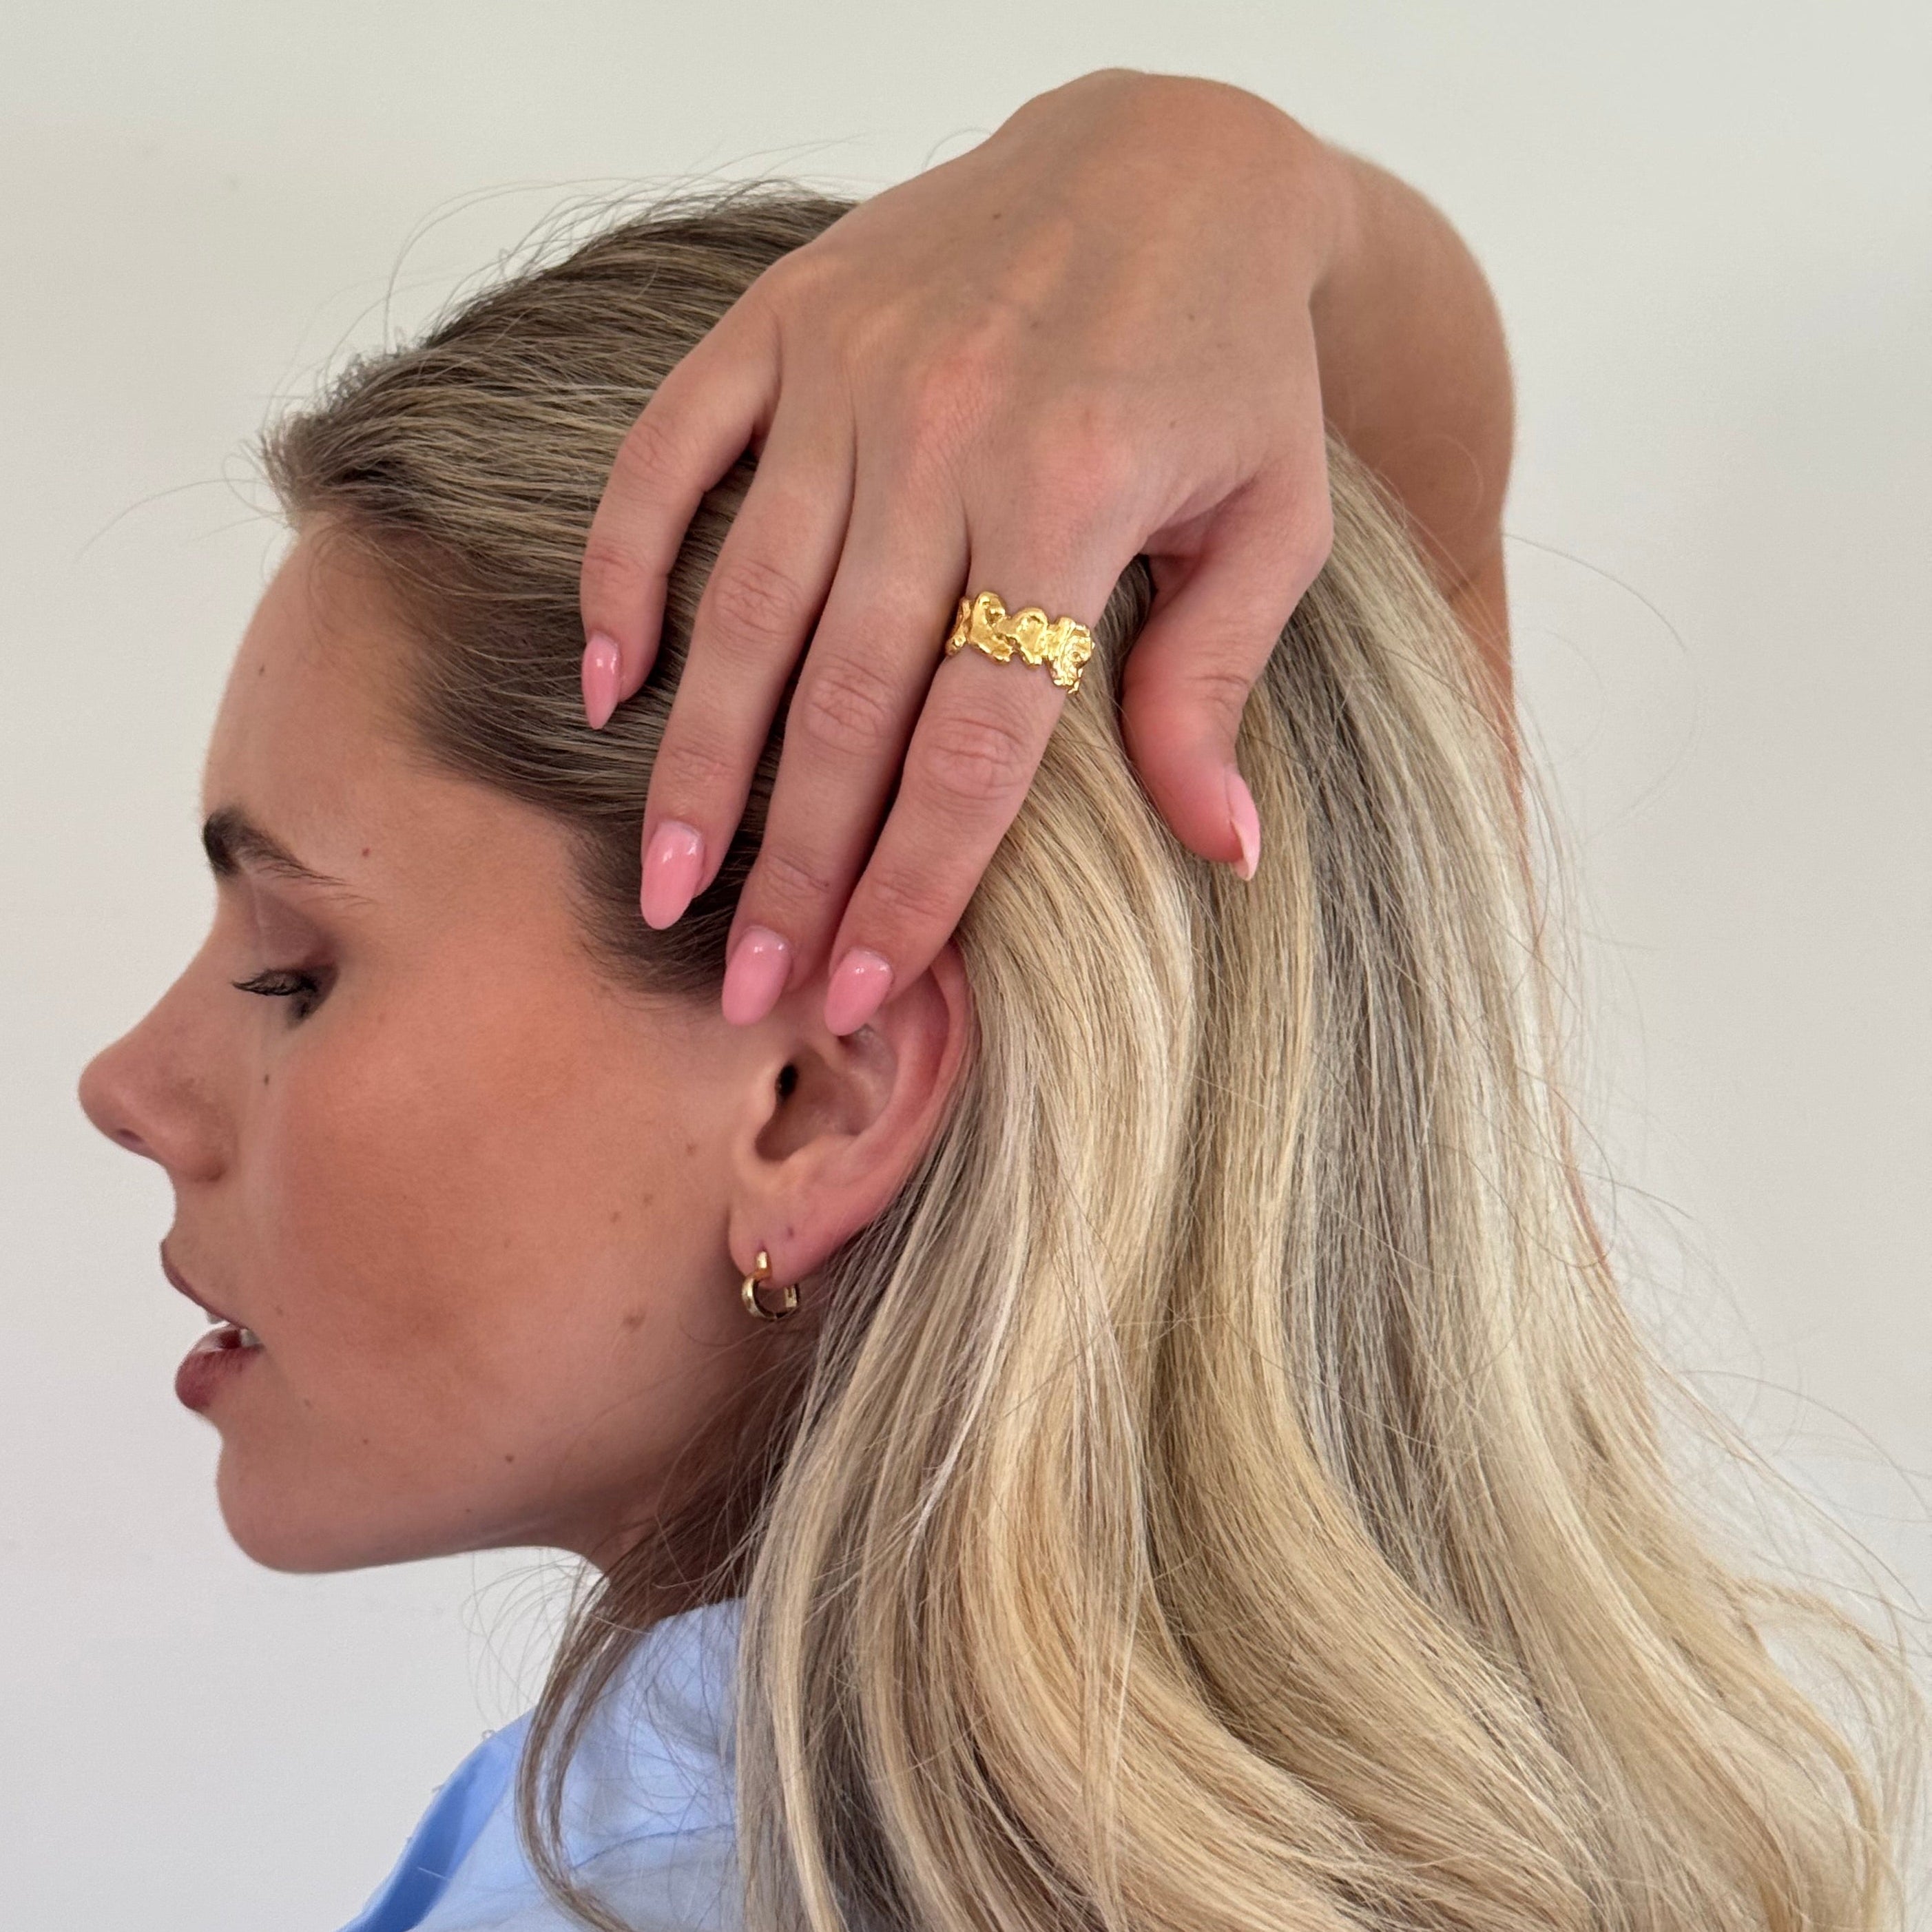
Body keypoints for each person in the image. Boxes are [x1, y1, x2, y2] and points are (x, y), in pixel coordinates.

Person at [76, 73, 1917, 1932]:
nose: (129, 1083)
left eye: (291, 973)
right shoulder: (1407, 1765)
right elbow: (1359, 793)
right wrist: (1200, 164)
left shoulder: (673, 1882)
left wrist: (1192, 172)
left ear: (819, 1097)